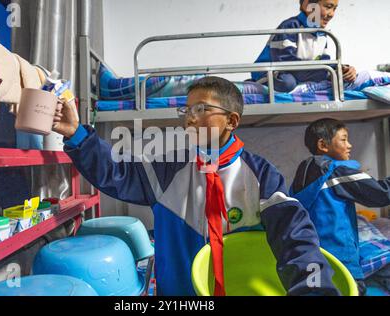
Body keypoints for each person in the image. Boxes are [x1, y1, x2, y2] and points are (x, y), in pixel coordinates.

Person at [52, 76, 340, 296]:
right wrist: (77, 134)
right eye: (186, 110)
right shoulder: (168, 170)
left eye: (201, 109)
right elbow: (114, 173)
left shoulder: (262, 176)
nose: (189, 118)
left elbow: (295, 239)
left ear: (232, 121)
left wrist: (313, 288)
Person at [290, 118, 390, 296]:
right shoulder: (336, 171)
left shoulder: (303, 172)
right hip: (340, 254)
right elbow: (382, 194)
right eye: (344, 139)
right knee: (351, 289)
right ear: (323, 144)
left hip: (313, 254)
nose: (349, 145)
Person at [251, 0, 358, 92]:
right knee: (287, 83)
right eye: (328, 7)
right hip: (271, 71)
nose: (332, 14)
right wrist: (324, 72)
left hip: (298, 72)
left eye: (334, 9)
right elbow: (286, 63)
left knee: (338, 77)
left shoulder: (322, 33)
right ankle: (254, 83)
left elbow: (324, 61)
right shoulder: (290, 26)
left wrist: (342, 69)